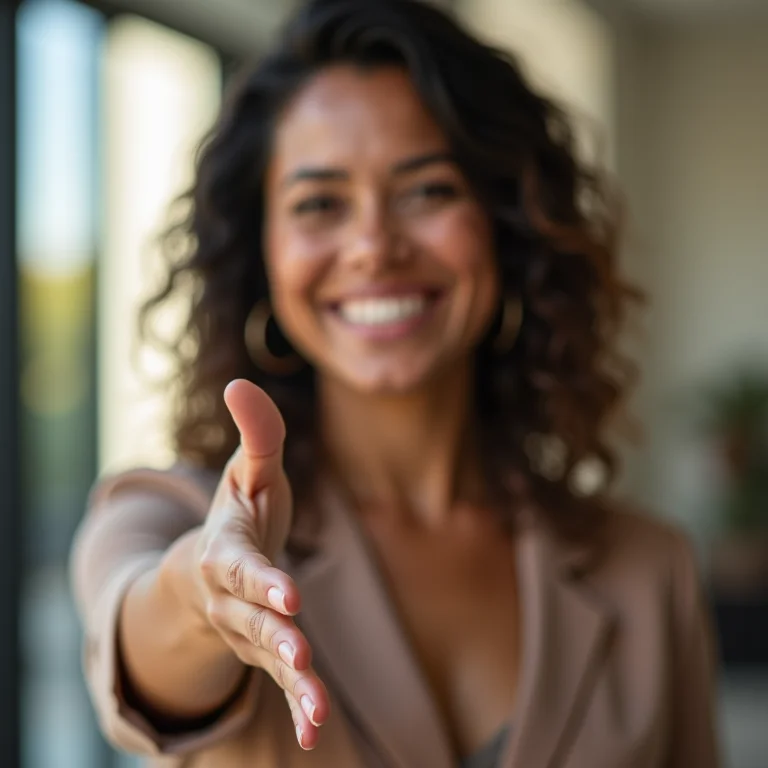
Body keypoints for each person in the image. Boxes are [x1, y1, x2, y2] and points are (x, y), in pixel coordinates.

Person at [69, 0, 722, 766]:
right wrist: (199, 596)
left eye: (428, 191)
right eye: (319, 204)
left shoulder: (649, 570)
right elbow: (146, 637)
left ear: (508, 226)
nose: (374, 247)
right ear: (263, 256)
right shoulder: (168, 519)